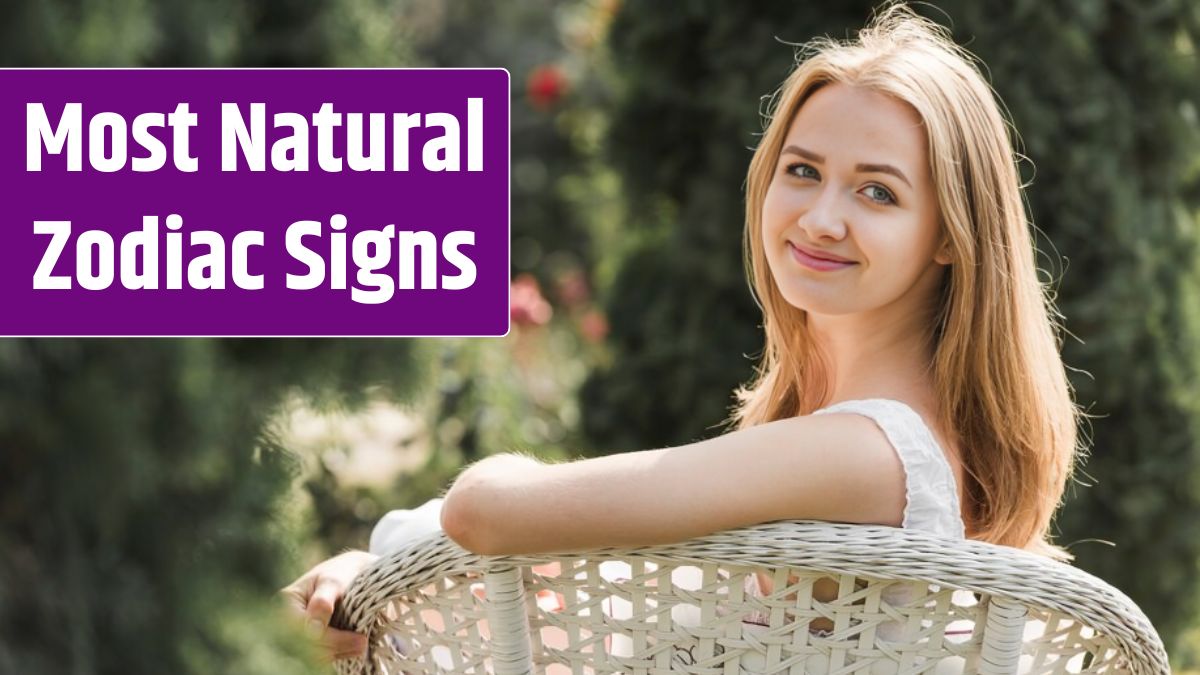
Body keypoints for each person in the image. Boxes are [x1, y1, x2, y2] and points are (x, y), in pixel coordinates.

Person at [282, 1, 1084, 662]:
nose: (821, 216)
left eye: (877, 192)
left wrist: (400, 549)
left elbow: (484, 508)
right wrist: (383, 578)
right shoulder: (870, 451)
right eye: (802, 170)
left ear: (951, 235)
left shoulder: (865, 452)